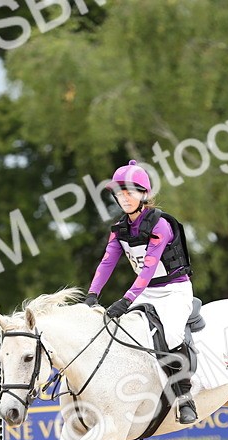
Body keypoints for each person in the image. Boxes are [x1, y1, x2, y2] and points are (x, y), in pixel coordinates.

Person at [86, 159, 198, 424]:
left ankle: (185, 398)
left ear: (143, 194)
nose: (124, 198)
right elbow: (107, 262)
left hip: (174, 291)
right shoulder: (120, 229)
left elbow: (148, 268)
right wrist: (91, 296)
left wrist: (126, 300)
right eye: (119, 193)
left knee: (170, 335)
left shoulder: (160, 225)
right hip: (146, 292)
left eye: (130, 192)